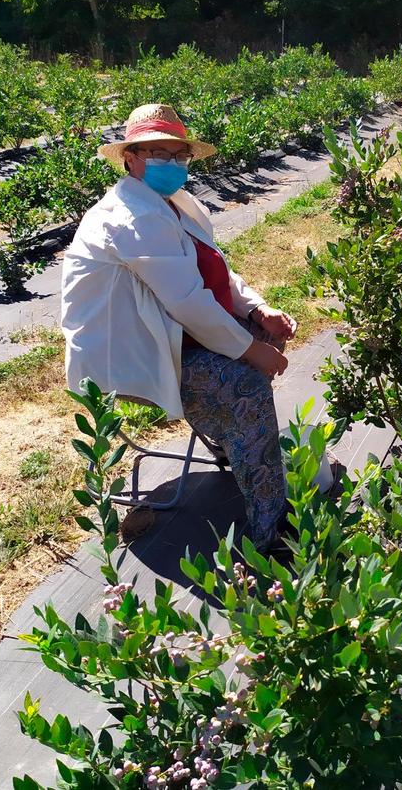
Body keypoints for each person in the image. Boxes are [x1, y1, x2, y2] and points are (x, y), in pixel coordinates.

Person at [61, 104, 297, 552]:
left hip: (170, 332)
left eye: (178, 155)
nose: (171, 164)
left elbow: (213, 271)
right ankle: (271, 530)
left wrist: (257, 310)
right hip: (127, 354)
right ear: (130, 158)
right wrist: (249, 350)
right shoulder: (134, 217)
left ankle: (239, 444)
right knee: (245, 380)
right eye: (157, 153)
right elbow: (187, 300)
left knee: (266, 338)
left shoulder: (173, 204)